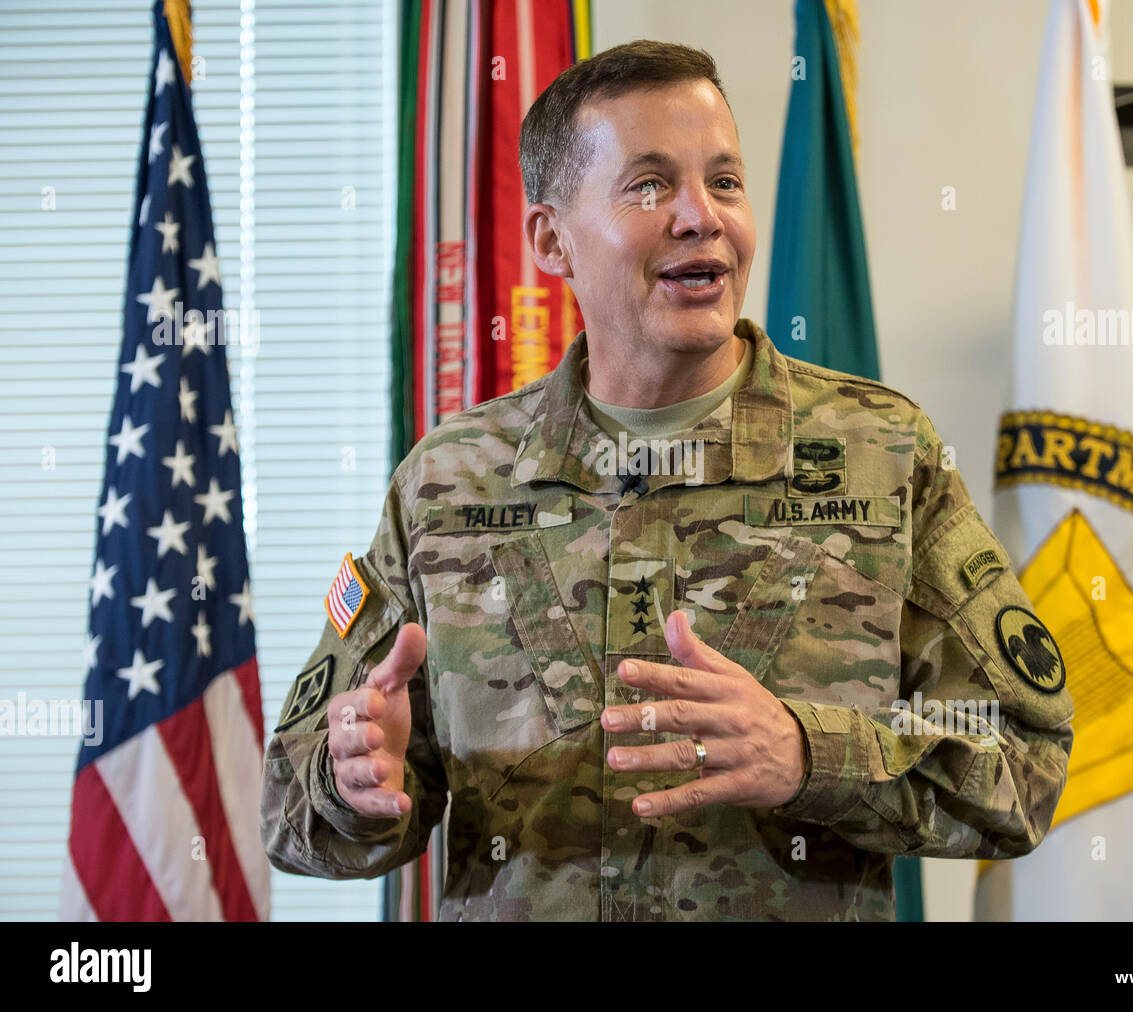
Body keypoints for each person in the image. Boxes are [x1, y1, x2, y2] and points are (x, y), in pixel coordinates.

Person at [259, 40, 1073, 921]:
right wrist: (352, 780)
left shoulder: (884, 452)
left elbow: (1026, 760)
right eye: (649, 185)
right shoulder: (449, 482)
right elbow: (290, 807)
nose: (701, 217)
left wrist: (808, 756)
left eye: (724, 181)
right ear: (551, 239)